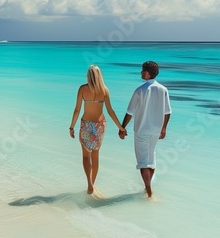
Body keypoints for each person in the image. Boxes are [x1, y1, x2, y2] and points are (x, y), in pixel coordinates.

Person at [70, 65, 125, 195]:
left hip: (86, 125)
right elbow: (110, 111)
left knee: (85, 156)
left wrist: (71, 126)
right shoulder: (105, 90)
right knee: (95, 156)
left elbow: (77, 109)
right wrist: (120, 127)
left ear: (89, 76)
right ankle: (92, 186)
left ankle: (89, 184)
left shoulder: (83, 89)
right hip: (100, 125)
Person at [119, 61, 171, 198]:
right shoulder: (163, 89)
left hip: (141, 130)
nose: (141, 72)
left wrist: (122, 127)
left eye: (143, 70)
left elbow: (129, 112)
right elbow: (168, 112)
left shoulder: (140, 90)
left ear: (148, 73)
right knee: (151, 159)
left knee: (143, 162)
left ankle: (148, 191)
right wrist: (164, 128)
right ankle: (147, 188)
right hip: (156, 130)